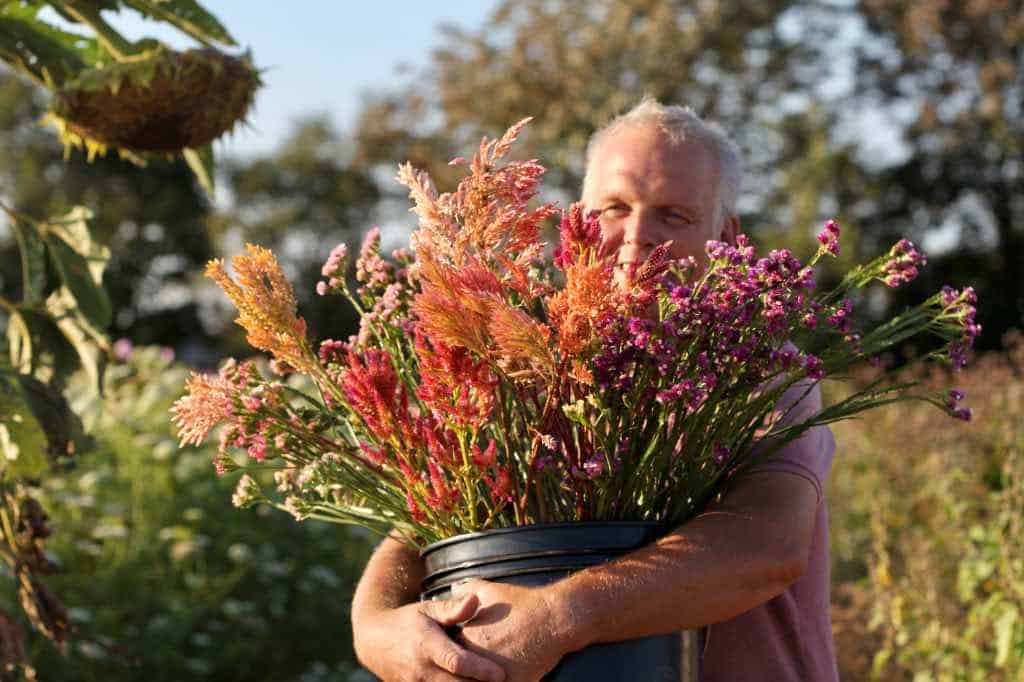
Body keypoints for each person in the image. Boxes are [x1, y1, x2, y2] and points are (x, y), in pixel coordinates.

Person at [350, 98, 839, 682]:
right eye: (614, 209)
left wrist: (559, 616)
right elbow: (421, 526)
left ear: (726, 237)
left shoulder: (760, 376)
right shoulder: (525, 378)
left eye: (674, 215)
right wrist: (377, 629)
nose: (636, 239)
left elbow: (768, 548)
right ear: (577, 222)